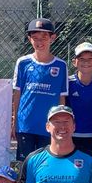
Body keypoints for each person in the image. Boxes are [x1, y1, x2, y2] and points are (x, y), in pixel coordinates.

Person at [11, 18, 68, 161]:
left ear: (52, 38)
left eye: (44, 37)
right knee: (25, 165)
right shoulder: (23, 62)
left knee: (46, 164)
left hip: (49, 126)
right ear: (29, 39)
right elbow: (17, 94)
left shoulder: (61, 65)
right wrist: (14, 123)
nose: (39, 42)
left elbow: (62, 98)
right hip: (26, 125)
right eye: (35, 38)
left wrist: (61, 123)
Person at [67, 41, 92, 154]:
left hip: (91, 136)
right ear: (74, 62)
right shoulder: (67, 82)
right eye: (82, 59)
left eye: (90, 58)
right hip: (69, 135)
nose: (86, 62)